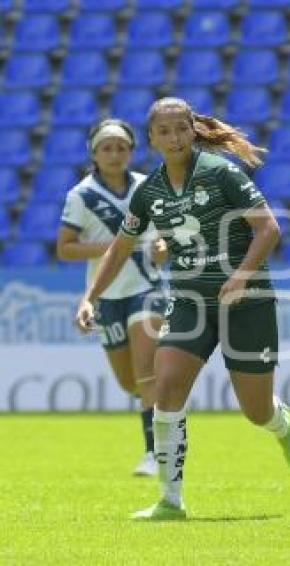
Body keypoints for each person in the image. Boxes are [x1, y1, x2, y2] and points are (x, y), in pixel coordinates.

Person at [75, 98, 290, 521]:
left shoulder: (221, 173)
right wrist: (90, 296)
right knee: (165, 387)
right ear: (152, 139)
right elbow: (120, 248)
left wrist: (241, 275)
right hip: (188, 303)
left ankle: (281, 425)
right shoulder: (149, 192)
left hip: (246, 303)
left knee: (255, 410)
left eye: (181, 129)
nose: (174, 138)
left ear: (193, 130)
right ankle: (170, 500)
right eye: (164, 132)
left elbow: (269, 228)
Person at [58, 118, 167, 477]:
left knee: (146, 369)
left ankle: (155, 454)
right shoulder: (82, 195)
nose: (115, 153)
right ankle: (161, 411)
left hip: (147, 288)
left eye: (122, 147)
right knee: (130, 382)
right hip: (108, 297)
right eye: (107, 147)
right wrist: (119, 245)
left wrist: (163, 246)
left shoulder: (147, 186)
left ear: (132, 151)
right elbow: (66, 248)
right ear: (94, 153)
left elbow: (166, 234)